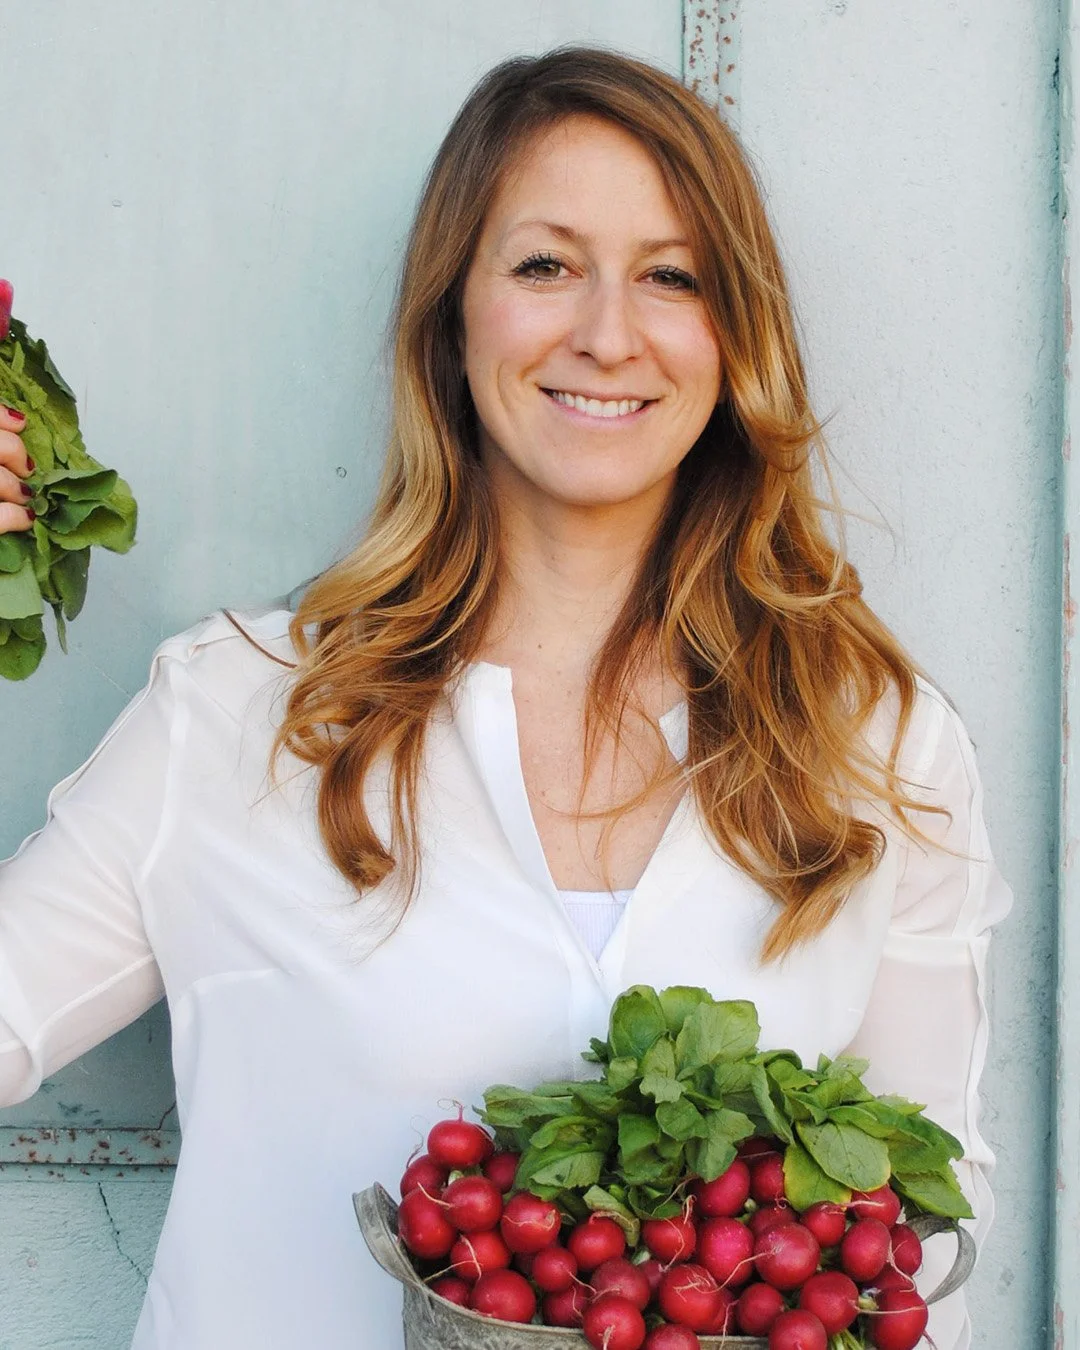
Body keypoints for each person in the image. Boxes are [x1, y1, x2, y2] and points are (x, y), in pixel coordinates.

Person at [0, 46, 1011, 1350]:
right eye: (544, 265)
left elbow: (921, 1261)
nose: (607, 331)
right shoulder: (240, 715)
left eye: (671, 275)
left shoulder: (877, 740)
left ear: (732, 334)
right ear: (452, 313)